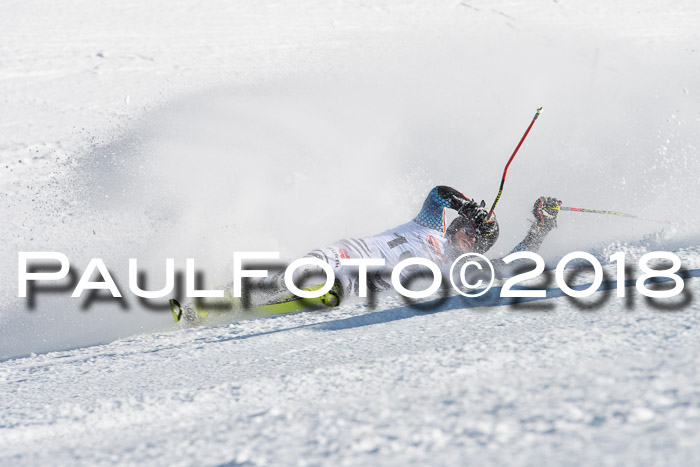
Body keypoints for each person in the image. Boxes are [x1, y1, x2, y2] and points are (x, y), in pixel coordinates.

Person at [259, 186, 562, 306]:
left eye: (480, 241)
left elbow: (511, 264)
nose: (472, 240)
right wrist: (469, 207)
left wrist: (541, 227)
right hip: (348, 253)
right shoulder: (430, 225)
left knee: (343, 288)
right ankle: (263, 286)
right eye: (471, 231)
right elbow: (438, 194)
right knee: (316, 266)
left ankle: (304, 295)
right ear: (459, 224)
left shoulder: (459, 270)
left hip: (362, 283)